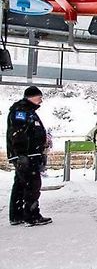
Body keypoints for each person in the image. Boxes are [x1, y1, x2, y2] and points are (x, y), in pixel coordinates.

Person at [6, 86, 52, 226]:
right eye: (39, 97)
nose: (41, 100)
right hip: (26, 155)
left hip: (30, 154)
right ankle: (31, 216)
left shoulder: (28, 111)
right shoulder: (21, 111)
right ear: (31, 97)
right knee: (32, 185)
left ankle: (17, 215)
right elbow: (18, 133)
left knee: (21, 184)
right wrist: (21, 154)